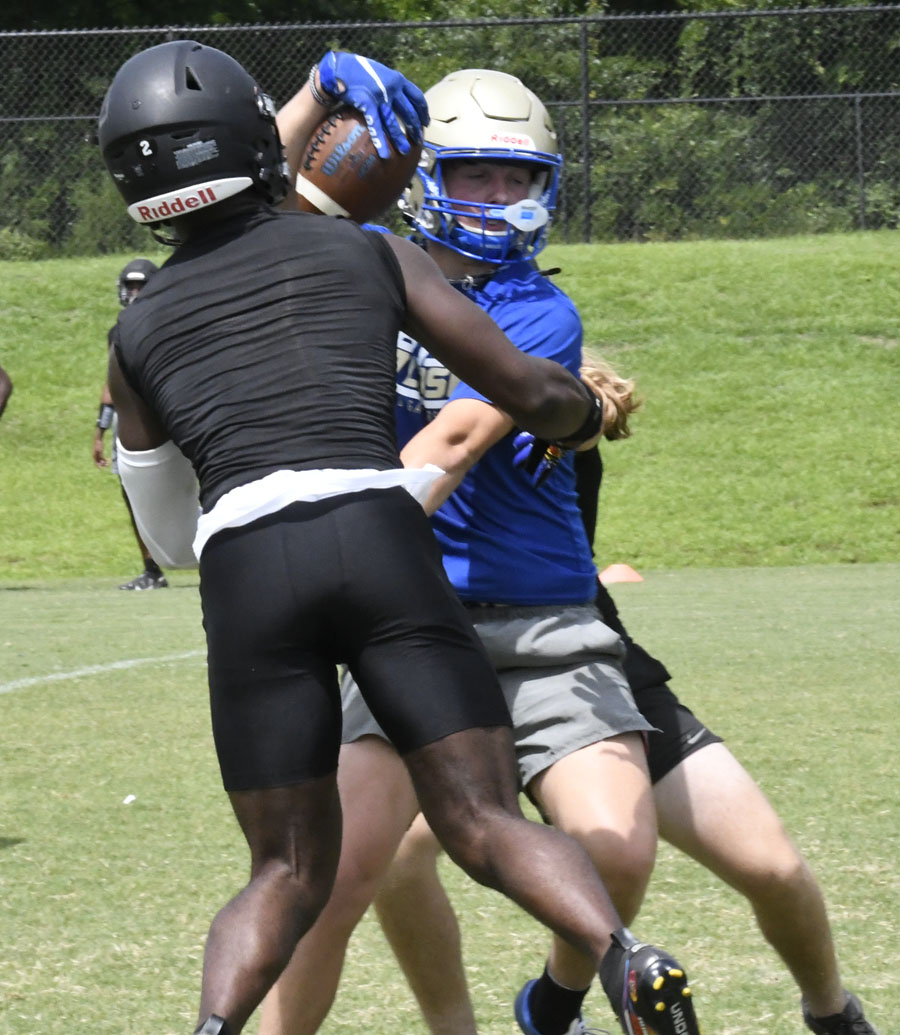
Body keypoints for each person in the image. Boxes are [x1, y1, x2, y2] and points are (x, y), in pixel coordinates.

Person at [97, 42, 699, 1035]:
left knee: (285, 870)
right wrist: (577, 420)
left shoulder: (136, 332)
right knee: (482, 819)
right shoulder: (367, 250)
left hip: (248, 568)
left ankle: (211, 1031)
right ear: (260, 140)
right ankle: (625, 955)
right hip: (381, 537)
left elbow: (168, 537)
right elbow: (526, 390)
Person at [262, 68, 879, 1035]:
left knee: (663, 855)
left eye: (519, 179)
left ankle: (564, 1009)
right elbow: (255, 209)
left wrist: (318, 554)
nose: (500, 199)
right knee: (341, 877)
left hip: (552, 624)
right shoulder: (364, 266)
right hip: (415, 619)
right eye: (475, 176)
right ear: (425, 173)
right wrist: (310, 94)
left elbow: (452, 446)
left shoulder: (538, 309)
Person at [93, 258, 168, 590]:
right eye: (130, 286)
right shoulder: (118, 331)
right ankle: (152, 569)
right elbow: (112, 384)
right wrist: (100, 429)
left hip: (172, 419)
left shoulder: (170, 324)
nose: (134, 292)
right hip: (131, 423)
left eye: (141, 286)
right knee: (132, 493)